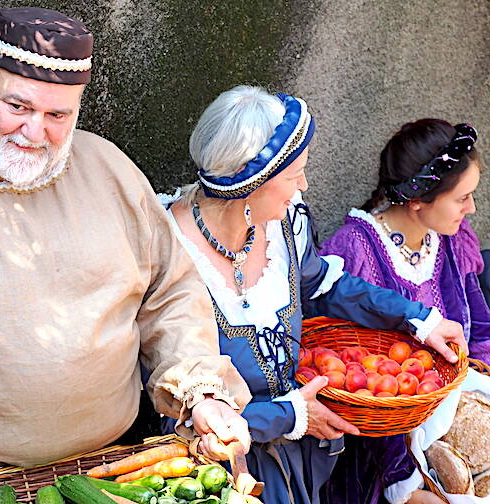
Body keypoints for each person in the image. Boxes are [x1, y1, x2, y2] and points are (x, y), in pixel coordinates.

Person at [0, 8, 252, 504]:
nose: (34, 132)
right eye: (17, 106)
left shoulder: (112, 171)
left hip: (123, 475)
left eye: (57, 115)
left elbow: (170, 294)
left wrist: (203, 394)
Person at [158, 86, 467, 504]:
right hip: (213, 466)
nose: (303, 183)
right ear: (252, 185)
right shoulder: (168, 248)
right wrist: (290, 415)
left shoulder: (285, 227)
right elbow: (173, 394)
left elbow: (325, 284)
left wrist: (418, 318)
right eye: (293, 174)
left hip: (299, 457)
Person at [320, 119, 488, 504]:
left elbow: (479, 331)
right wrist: (405, 486)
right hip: (379, 455)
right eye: (462, 198)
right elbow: (349, 379)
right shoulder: (354, 254)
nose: (472, 207)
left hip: (453, 436)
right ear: (417, 201)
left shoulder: (451, 238)